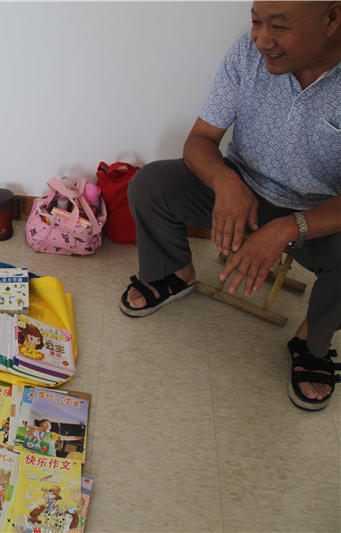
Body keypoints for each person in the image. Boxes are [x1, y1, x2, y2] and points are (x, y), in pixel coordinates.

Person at [119, 2, 341, 411]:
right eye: (256, 21)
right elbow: (199, 140)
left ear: (331, 19)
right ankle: (174, 273)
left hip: (317, 213)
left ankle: (312, 342)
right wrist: (225, 182)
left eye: (279, 26)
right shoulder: (245, 54)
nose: (262, 40)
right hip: (241, 188)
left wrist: (286, 228)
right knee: (151, 183)